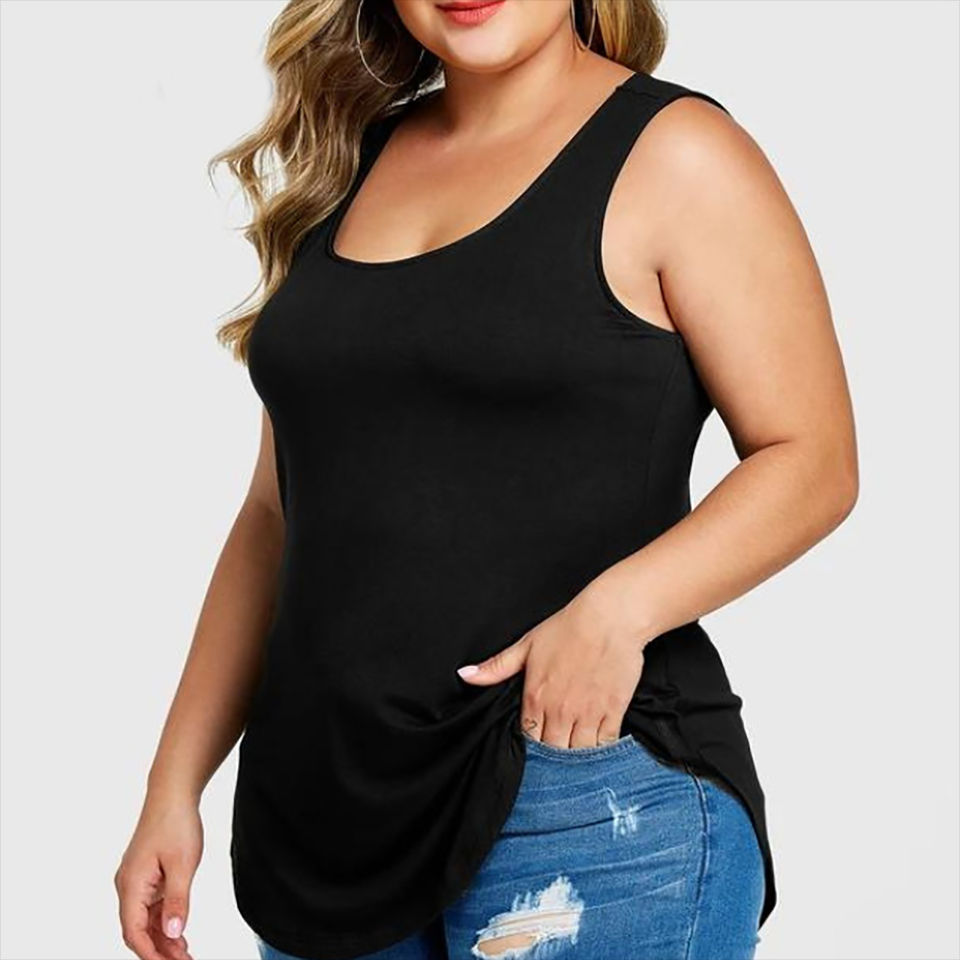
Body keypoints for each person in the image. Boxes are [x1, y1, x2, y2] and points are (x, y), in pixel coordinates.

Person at [115, 1, 858, 958]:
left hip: (588, 795)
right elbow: (275, 514)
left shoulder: (677, 155)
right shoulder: (350, 161)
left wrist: (618, 610)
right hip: (324, 828)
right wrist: (174, 784)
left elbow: (813, 457)